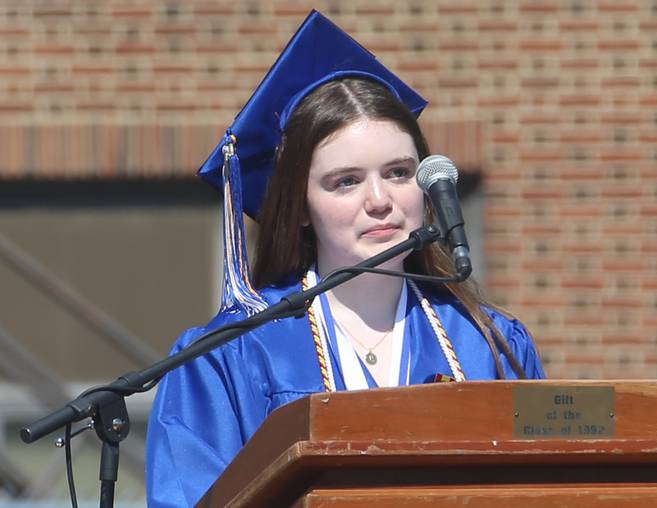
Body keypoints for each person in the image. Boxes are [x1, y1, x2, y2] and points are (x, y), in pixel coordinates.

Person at [145, 11, 545, 508]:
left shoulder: (490, 344)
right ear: (301, 206)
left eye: (399, 172)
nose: (379, 200)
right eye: (346, 181)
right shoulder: (233, 355)